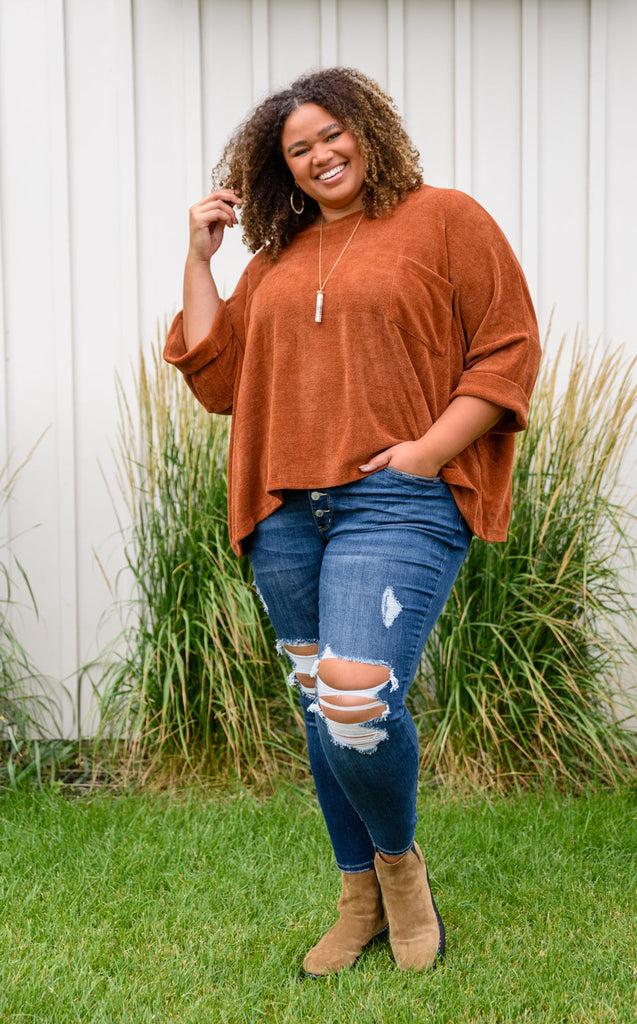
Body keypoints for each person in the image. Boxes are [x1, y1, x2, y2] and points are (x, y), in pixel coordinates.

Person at [164, 66, 540, 977]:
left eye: (332, 133)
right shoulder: (276, 260)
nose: (321, 155)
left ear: (368, 129)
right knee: (318, 704)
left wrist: (427, 451)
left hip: (397, 501)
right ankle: (357, 896)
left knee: (355, 696)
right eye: (299, 149)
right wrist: (201, 259)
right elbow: (216, 377)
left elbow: (508, 346)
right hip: (285, 509)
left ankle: (401, 874)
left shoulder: (445, 219)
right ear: (281, 168)